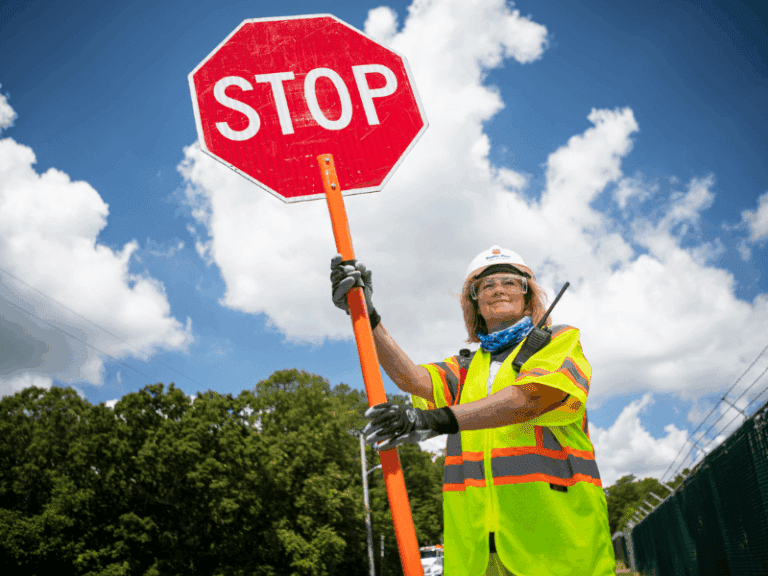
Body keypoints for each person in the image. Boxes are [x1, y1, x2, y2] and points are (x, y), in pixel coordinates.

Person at [330, 246, 615, 576]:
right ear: (475, 302)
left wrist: (436, 419)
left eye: (511, 282)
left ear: (528, 295)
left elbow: (530, 398)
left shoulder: (558, 342)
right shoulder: (465, 368)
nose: (498, 289)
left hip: (559, 548)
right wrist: (365, 315)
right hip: (477, 555)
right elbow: (409, 377)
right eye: (486, 285)